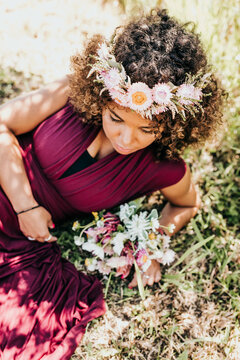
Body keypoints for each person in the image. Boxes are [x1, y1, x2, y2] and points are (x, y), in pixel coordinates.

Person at [0, 8, 224, 360]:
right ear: (103, 96)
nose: (126, 137)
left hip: (22, 244)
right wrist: (24, 204)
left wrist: (150, 245)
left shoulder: (163, 169)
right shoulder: (68, 94)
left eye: (146, 129)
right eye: (115, 117)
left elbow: (187, 203)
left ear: (170, 126)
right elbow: (2, 126)